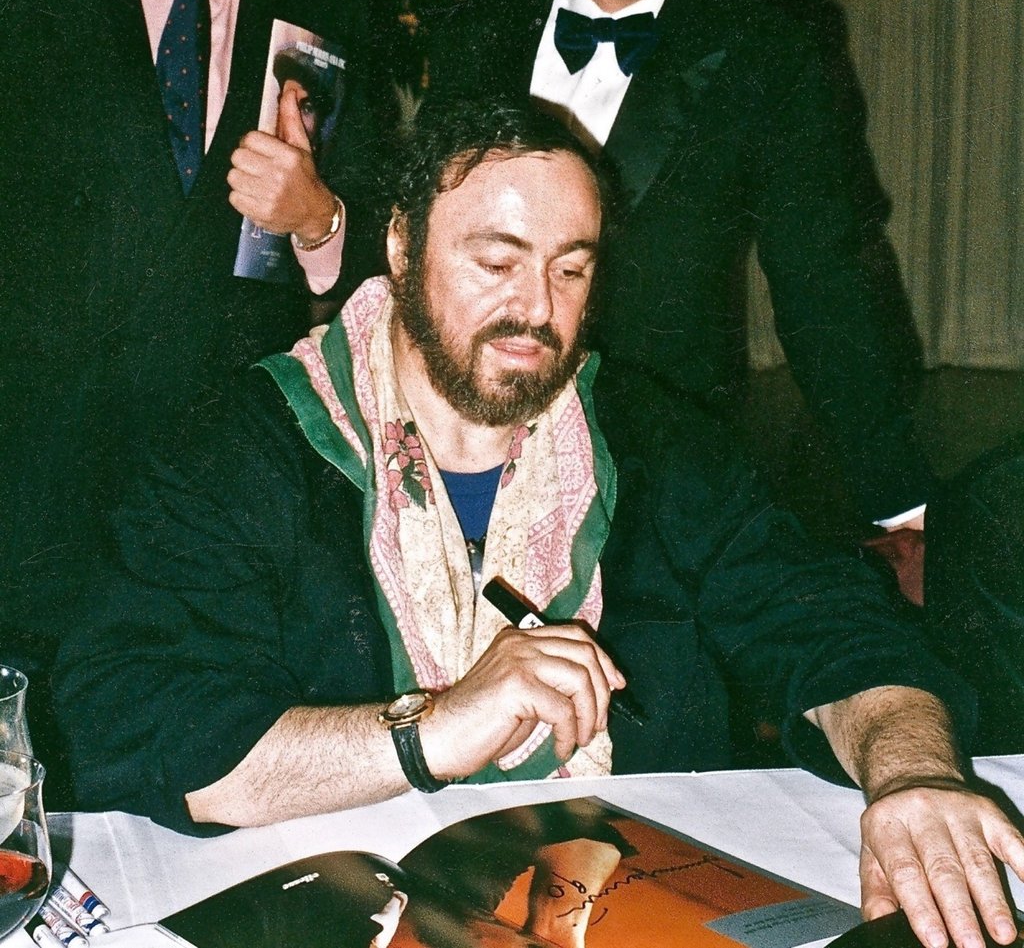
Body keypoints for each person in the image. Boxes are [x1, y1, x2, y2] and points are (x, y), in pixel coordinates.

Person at [55, 100, 1024, 948]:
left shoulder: (652, 440)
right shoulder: (246, 445)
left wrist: (911, 774)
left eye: (570, 269)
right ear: (400, 247)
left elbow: (835, 626)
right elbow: (131, 719)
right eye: (496, 260)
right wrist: (429, 729)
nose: (536, 309)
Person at [0, 0, 378, 747]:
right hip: (24, 486)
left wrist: (319, 219)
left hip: (217, 503)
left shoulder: (331, 4)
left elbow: (390, 257)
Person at [423, 0, 932, 530]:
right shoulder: (471, 34)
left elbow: (828, 283)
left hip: (664, 473)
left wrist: (901, 503)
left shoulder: (774, 50)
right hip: (468, 456)